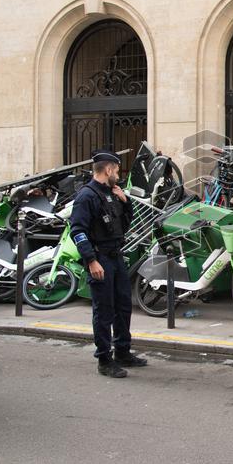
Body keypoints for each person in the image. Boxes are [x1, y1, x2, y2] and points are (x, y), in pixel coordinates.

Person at [70, 149, 147, 378]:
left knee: (123, 306)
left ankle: (123, 352)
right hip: (100, 257)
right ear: (108, 169)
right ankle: (104, 360)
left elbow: (123, 225)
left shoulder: (112, 193)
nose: (118, 174)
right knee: (104, 311)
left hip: (115, 256)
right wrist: (91, 261)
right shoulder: (87, 196)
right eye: (116, 169)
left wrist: (126, 202)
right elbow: (78, 231)